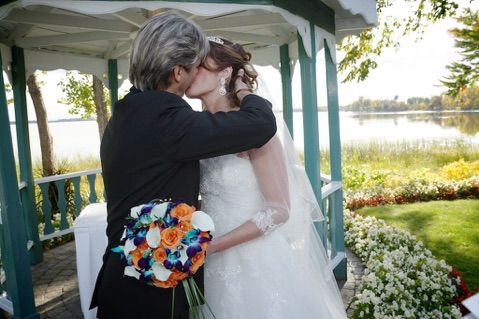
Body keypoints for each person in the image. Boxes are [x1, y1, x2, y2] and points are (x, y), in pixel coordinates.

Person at [90, 12, 277, 319]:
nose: (196, 73)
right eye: (194, 65)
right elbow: (260, 123)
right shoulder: (165, 118)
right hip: (147, 296)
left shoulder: (127, 110)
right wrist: (243, 89)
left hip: (123, 281)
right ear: (178, 72)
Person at [185, 37, 348, 318]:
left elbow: (279, 210)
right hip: (211, 265)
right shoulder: (198, 128)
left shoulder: (254, 126)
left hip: (255, 261)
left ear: (224, 72)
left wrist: (214, 246)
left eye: (199, 65)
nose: (189, 70)